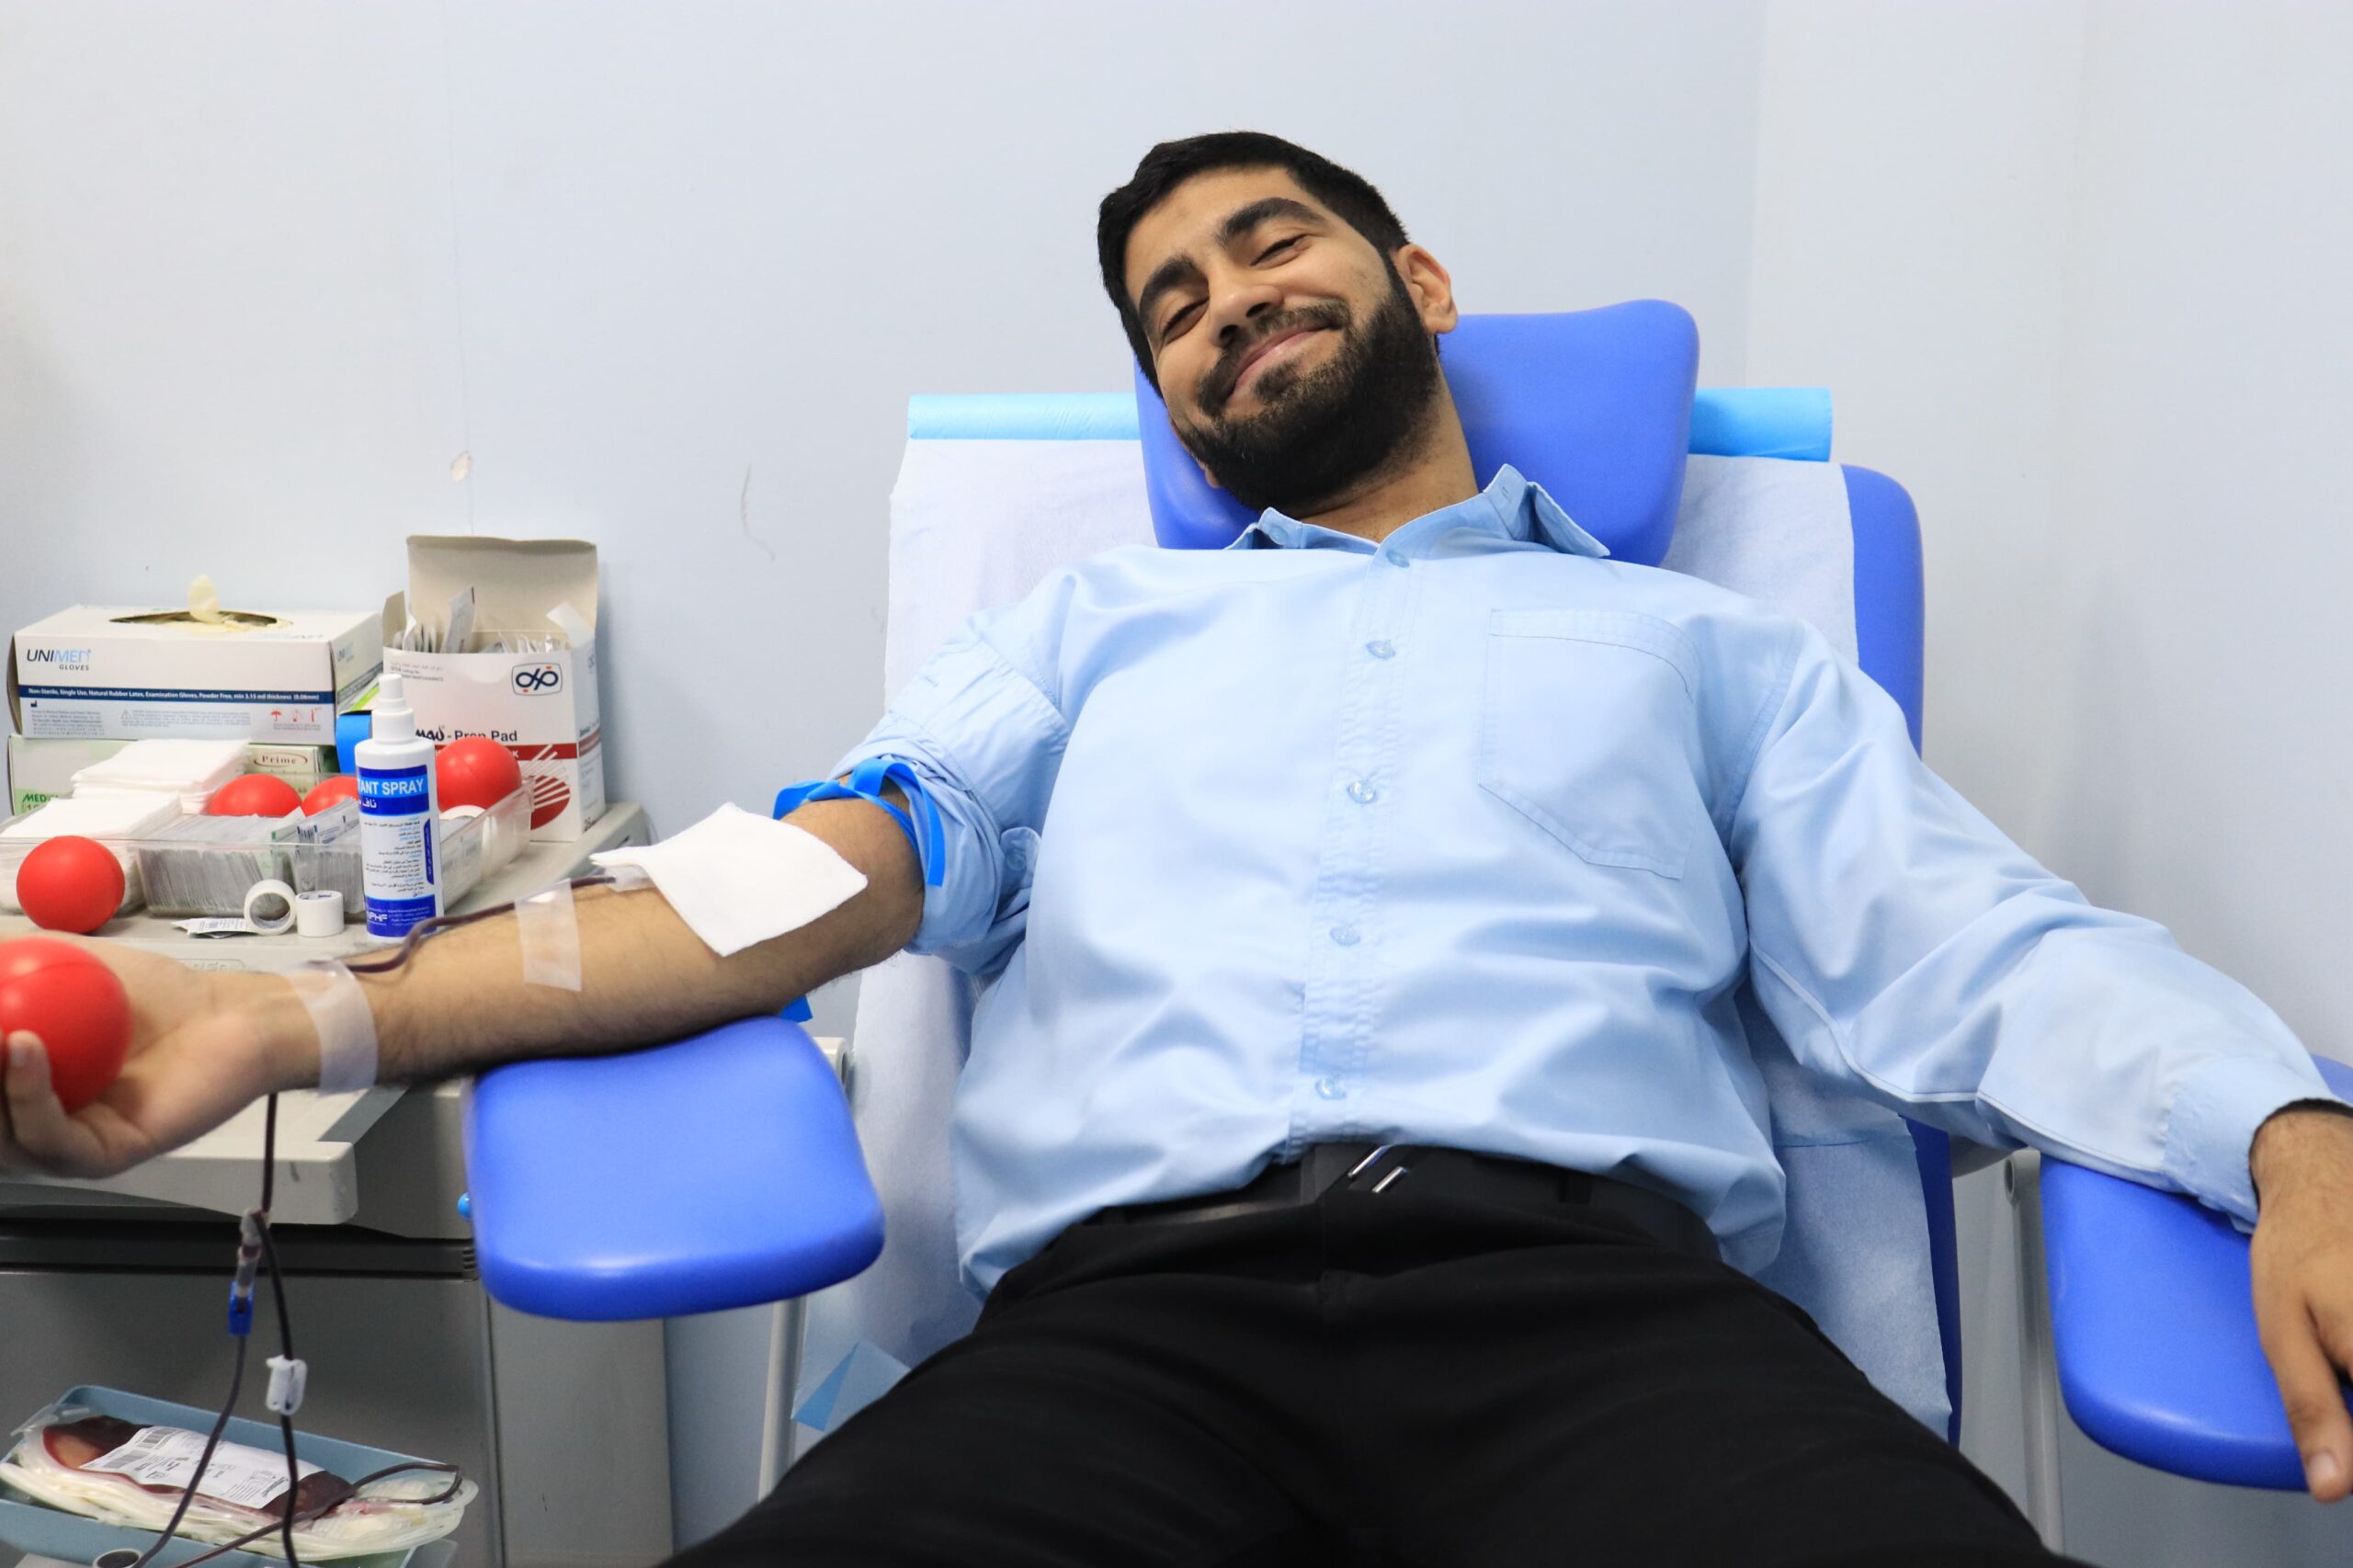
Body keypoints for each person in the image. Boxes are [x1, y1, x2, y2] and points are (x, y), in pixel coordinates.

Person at [7, 131, 2353, 1565]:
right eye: (1175, 309)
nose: (1229, 306)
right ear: (1173, 403)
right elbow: (796, 887)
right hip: (1127, 1342)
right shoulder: (1087, 635)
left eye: (1269, 244)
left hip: (1600, 1325)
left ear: (1416, 286)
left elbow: (1973, 941)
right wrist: (290, 1020)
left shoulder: (1697, 652)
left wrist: (2288, 1133)